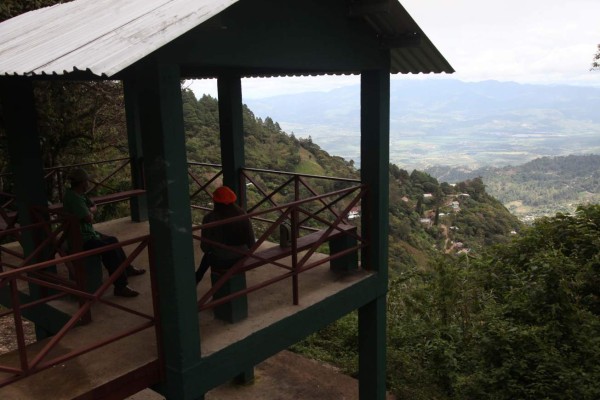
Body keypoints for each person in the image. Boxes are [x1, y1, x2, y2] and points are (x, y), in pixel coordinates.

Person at [63, 168, 145, 297]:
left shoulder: (76, 194)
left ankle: (126, 269)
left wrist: (91, 208)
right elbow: (89, 216)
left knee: (113, 240)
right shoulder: (75, 199)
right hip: (81, 239)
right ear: (83, 182)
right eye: (87, 181)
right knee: (110, 248)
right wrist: (93, 210)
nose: (89, 183)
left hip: (85, 234)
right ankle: (120, 286)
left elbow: (90, 206)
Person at [195, 186, 255, 283]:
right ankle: (197, 276)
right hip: (242, 257)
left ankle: (197, 277)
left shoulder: (210, 218)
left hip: (223, 260)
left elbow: (205, 247)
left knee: (208, 256)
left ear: (215, 201)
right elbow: (252, 243)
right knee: (211, 255)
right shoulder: (242, 214)